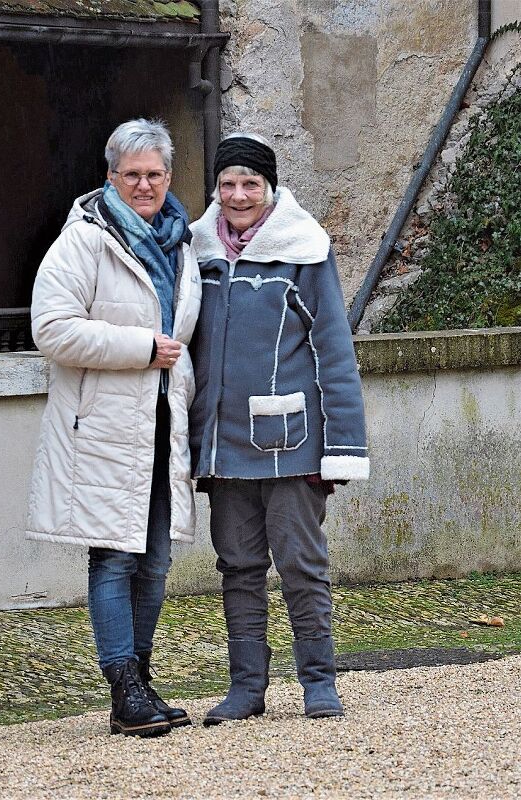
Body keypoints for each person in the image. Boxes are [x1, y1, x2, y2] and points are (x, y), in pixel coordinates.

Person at [26, 119, 201, 738]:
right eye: (132, 174)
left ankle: (141, 683)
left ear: (169, 177)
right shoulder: (83, 241)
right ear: (110, 176)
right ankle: (124, 687)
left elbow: (185, 343)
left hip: (159, 427)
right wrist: (139, 348)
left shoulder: (181, 243)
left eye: (155, 174)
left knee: (154, 561)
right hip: (100, 428)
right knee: (114, 557)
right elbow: (50, 329)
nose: (144, 185)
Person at [189, 133, 369, 725]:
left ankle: (319, 682)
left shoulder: (304, 251)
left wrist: (340, 448)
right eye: (228, 184)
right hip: (224, 446)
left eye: (251, 184)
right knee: (237, 568)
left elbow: (333, 353)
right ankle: (247, 688)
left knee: (301, 564)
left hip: (292, 445)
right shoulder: (197, 254)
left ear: (270, 189)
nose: (239, 195)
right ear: (216, 189)